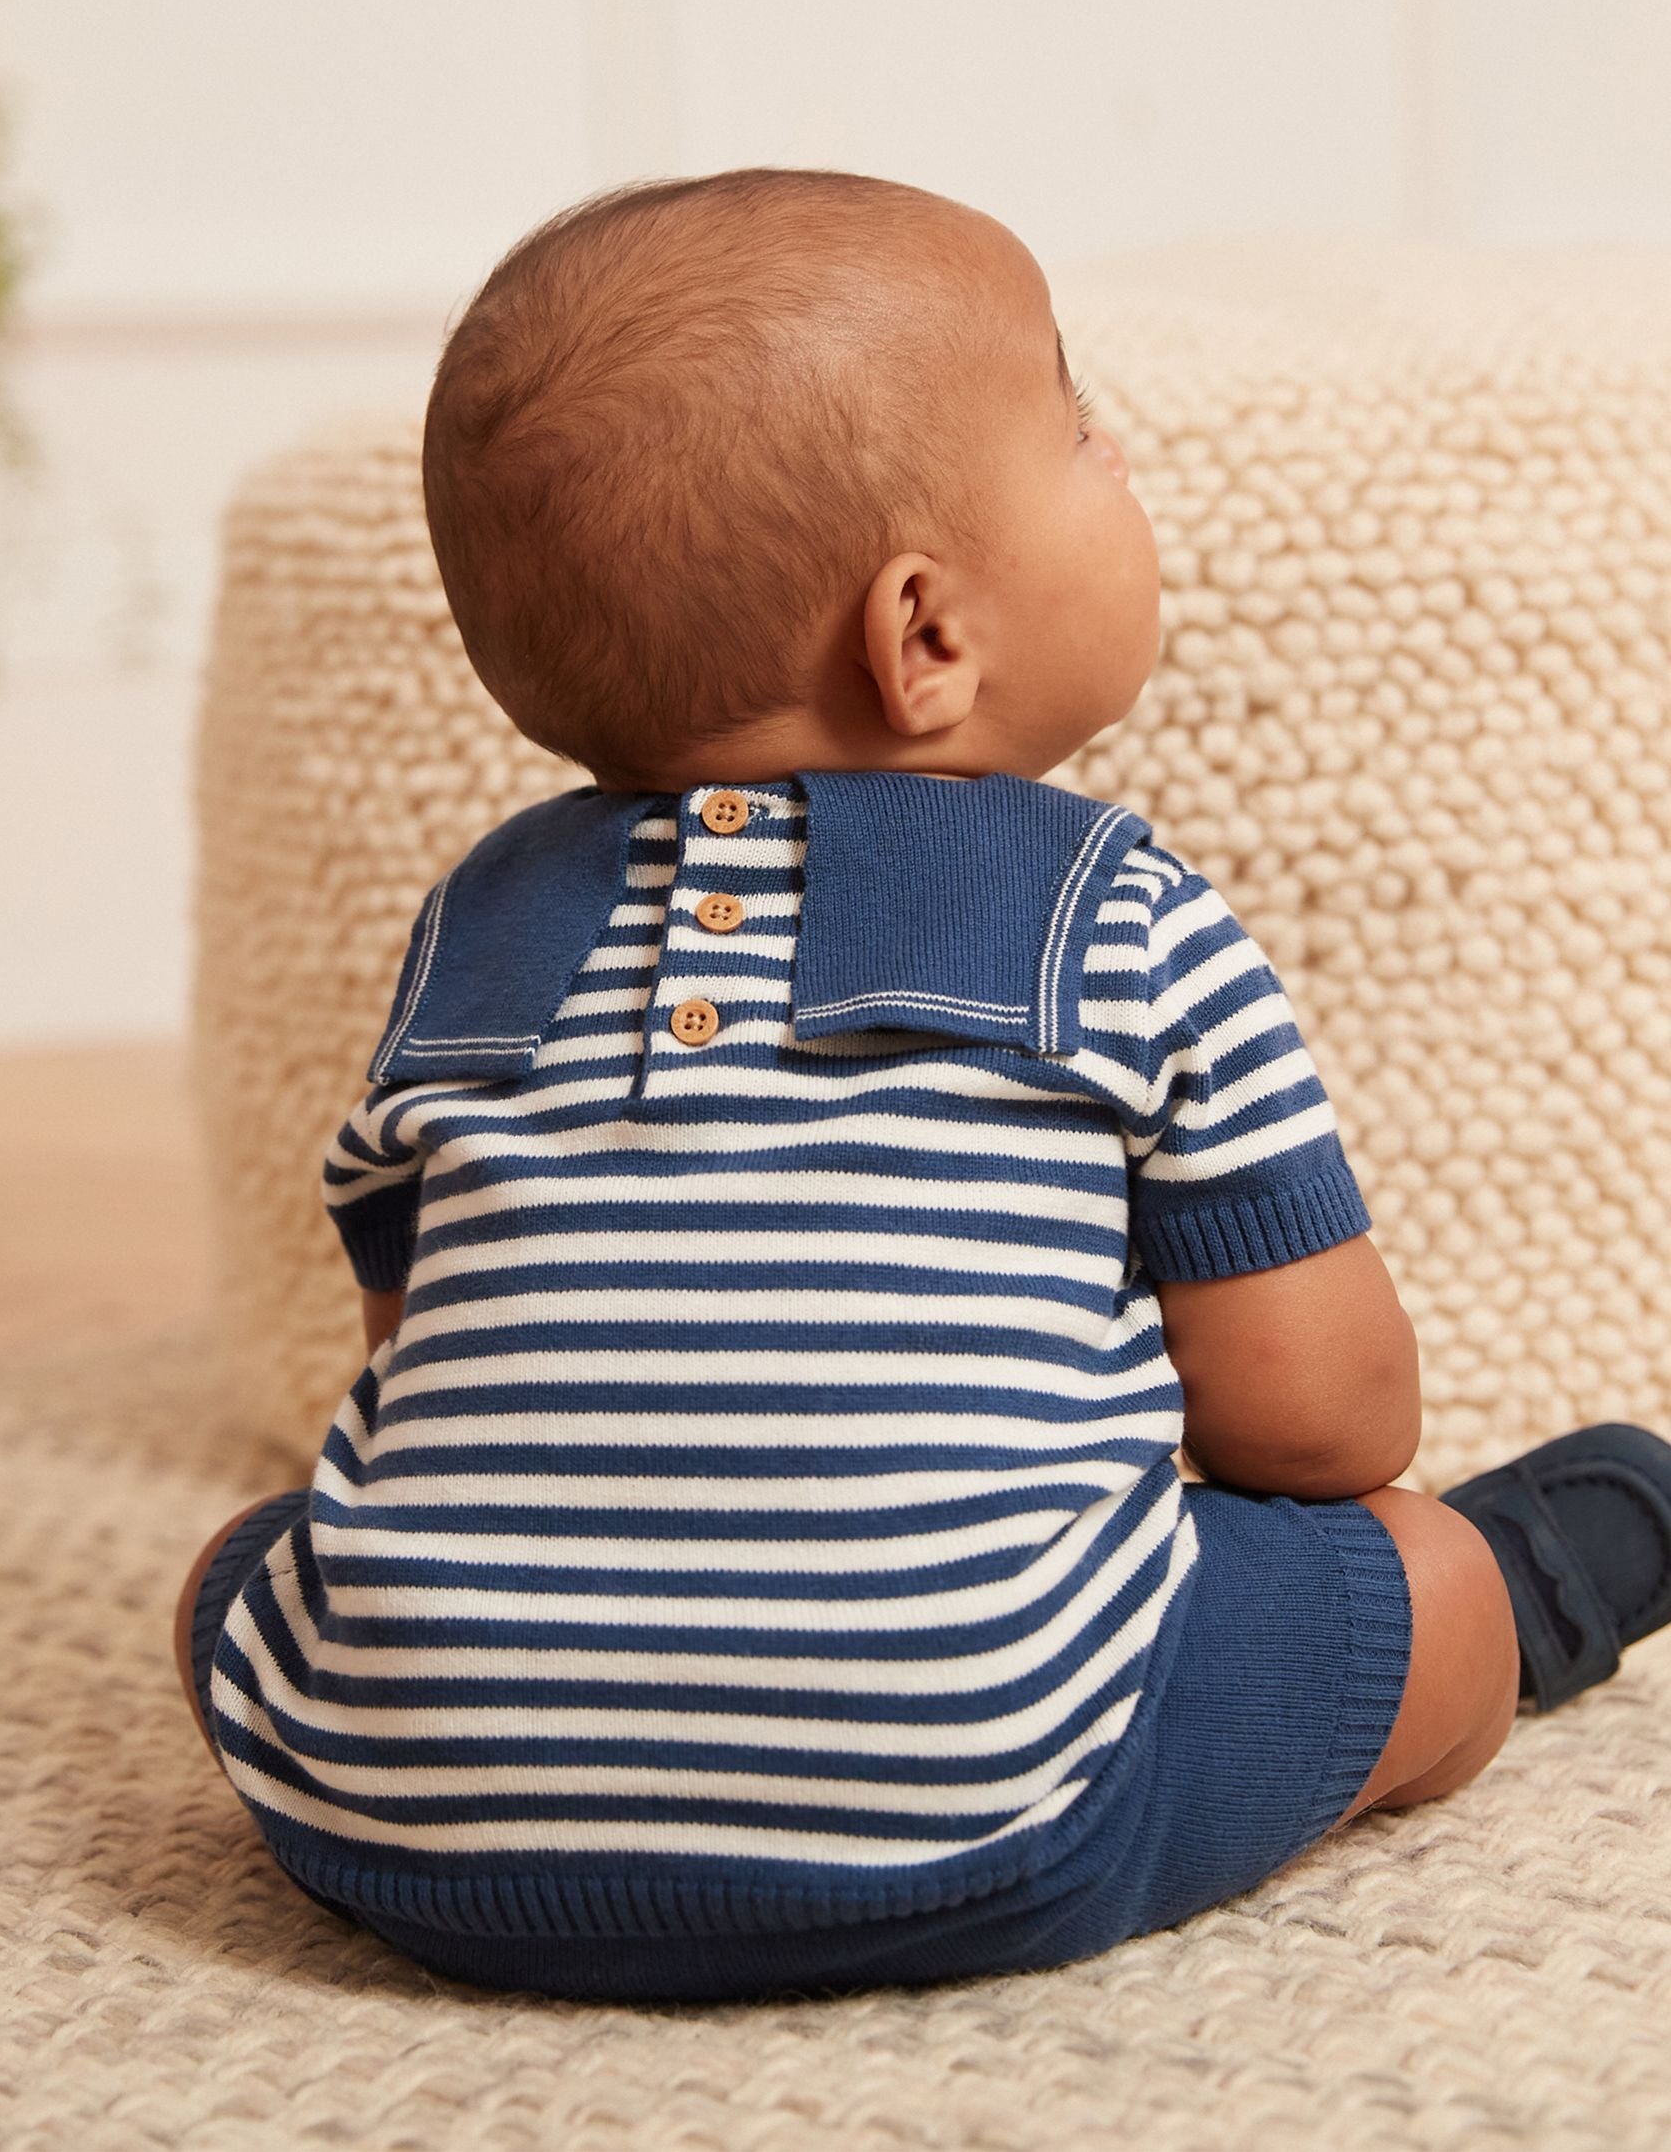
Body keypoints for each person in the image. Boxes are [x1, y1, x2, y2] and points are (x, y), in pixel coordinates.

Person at [175, 168, 1671, 2002]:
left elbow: (419, 1352)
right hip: (992, 1808)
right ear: (927, 637)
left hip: (417, 1840)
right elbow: (1320, 1430)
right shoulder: (1110, 913)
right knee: (1412, 1571)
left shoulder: (478, 933)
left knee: (242, 1577)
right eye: (1084, 429)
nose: (1120, 458)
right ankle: (1526, 1606)